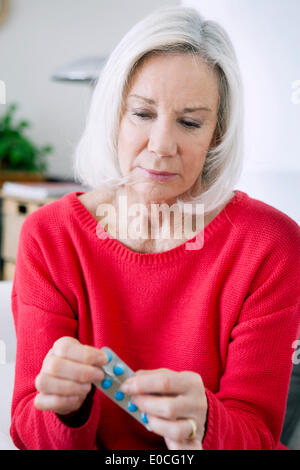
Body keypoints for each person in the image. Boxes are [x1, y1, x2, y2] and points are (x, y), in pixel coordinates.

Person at [10, 6, 300, 450]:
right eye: (142, 114)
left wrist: (206, 424)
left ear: (217, 136)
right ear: (114, 117)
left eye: (189, 122)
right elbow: (29, 431)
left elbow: (259, 437)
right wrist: (66, 408)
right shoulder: (50, 236)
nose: (162, 147)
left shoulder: (270, 245)